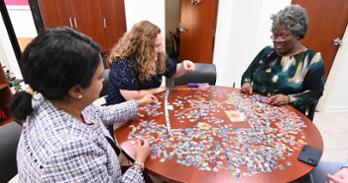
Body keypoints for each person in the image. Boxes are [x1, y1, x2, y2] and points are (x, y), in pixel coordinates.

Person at [11, 27, 158, 182]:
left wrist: (138, 103)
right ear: (76, 90)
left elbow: (99, 114)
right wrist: (139, 163)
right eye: (100, 77)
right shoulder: (69, 148)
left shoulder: (50, 96)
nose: (104, 80)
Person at [241, 4, 325, 115]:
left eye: (283, 36)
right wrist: (246, 84)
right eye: (274, 36)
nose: (277, 41)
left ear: (297, 34)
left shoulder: (312, 59)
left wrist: (289, 99)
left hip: (288, 116)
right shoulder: (267, 51)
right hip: (255, 111)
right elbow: (247, 74)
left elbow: (315, 92)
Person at [106, 20, 195, 105]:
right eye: (157, 46)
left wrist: (183, 66)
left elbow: (173, 71)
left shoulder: (157, 56)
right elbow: (133, 97)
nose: (160, 50)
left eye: (161, 44)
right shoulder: (122, 63)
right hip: (122, 112)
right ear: (142, 47)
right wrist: (158, 90)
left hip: (149, 104)